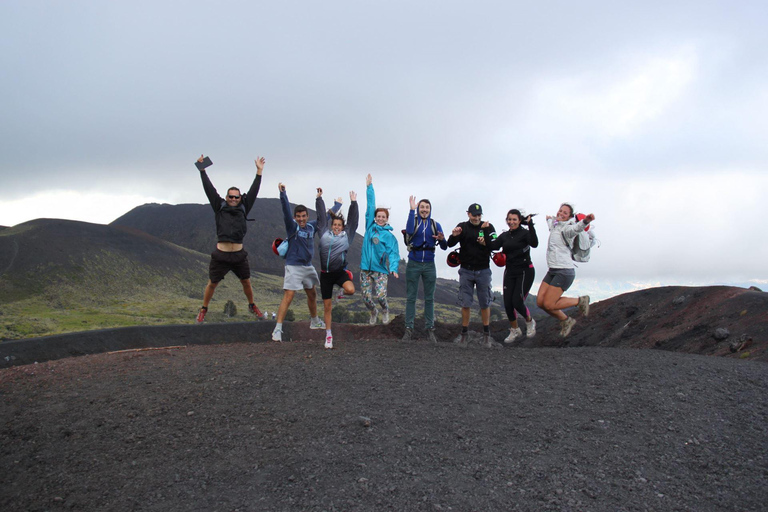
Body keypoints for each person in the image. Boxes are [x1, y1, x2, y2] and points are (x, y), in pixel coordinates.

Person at [196, 154, 265, 323]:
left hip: (239, 255)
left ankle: (252, 306)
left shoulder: (244, 207)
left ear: (240, 198)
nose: (233, 199)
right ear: (226, 198)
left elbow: (254, 191)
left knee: (246, 282)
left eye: (236, 196)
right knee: (212, 283)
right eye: (230, 196)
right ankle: (203, 309)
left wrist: (259, 172)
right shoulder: (219, 206)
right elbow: (209, 189)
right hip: (221, 255)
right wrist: (202, 170)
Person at [271, 184, 327, 342]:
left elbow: (324, 218)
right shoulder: (292, 226)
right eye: (298, 216)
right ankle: (277, 329)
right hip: (293, 266)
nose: (301, 219)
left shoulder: (311, 226)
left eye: (304, 216)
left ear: (307, 216)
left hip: (308, 266)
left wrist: (332, 204)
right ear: (295, 217)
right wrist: (283, 194)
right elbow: (285, 211)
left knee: (312, 293)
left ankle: (315, 321)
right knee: (289, 295)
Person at [537, 202, 594, 338]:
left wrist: (586, 221)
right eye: (560, 211)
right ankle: (566, 321)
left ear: (570, 217)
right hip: (553, 270)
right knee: (540, 302)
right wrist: (548, 219)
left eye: (565, 213)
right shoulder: (555, 225)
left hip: (564, 271)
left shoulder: (568, 229)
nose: (561, 214)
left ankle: (580, 301)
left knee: (549, 304)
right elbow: (551, 223)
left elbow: (577, 228)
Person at [446, 203, 498, 348]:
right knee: (465, 302)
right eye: (474, 215)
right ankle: (464, 333)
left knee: (485, 302)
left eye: (479, 215)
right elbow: (450, 244)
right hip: (466, 270)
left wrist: (485, 243)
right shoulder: (462, 226)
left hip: (483, 270)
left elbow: (496, 245)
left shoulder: (489, 227)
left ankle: (487, 334)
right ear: (468, 214)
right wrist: (454, 235)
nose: (477, 217)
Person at [402, 196, 447, 343]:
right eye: (422, 207)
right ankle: (408, 329)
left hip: (429, 265)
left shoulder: (435, 224)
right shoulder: (413, 221)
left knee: (429, 298)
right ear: (418, 209)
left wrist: (441, 239)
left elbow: (445, 246)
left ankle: (430, 330)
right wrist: (411, 210)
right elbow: (409, 230)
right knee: (411, 298)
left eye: (427, 207)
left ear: (430, 210)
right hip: (413, 263)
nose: (424, 210)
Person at [489, 209, 538, 343]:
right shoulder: (504, 235)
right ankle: (515, 329)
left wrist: (531, 225)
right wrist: (484, 233)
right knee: (508, 303)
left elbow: (534, 243)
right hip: (510, 271)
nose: (511, 222)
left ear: (519, 221)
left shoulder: (525, 233)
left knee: (517, 301)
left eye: (514, 220)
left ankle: (530, 322)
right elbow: (493, 245)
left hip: (525, 271)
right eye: (509, 219)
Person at [317, 191, 359, 349]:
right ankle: (328, 335)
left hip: (339, 273)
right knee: (327, 307)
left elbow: (354, 222)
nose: (336, 227)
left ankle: (340, 293)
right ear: (331, 225)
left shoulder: (346, 237)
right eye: (334, 224)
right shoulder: (323, 234)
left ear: (342, 227)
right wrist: (319, 199)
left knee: (351, 289)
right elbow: (321, 218)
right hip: (325, 275)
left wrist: (353, 203)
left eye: (339, 225)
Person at [360, 174, 400, 325]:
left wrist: (394, 267)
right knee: (366, 297)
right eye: (378, 216)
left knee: (381, 296)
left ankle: (385, 310)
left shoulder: (389, 236)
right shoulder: (370, 227)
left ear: (387, 219)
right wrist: (369, 187)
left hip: (380, 270)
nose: (380, 218)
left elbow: (394, 253)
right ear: (375, 217)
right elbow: (370, 206)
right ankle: (373, 312)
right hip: (365, 269)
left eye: (383, 217)